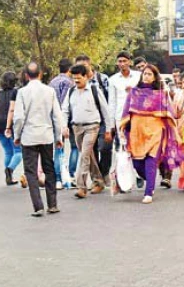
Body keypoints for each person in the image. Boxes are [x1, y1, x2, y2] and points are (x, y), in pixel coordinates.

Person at [119, 64, 183, 204]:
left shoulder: (160, 94)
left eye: (149, 74)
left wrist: (176, 133)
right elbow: (126, 112)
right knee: (137, 163)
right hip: (137, 132)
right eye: (145, 74)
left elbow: (169, 114)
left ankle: (148, 192)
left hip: (155, 131)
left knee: (151, 161)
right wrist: (124, 130)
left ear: (155, 77)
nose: (146, 76)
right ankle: (150, 180)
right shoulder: (134, 93)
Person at [13, 62, 64, 217]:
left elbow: (19, 117)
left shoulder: (22, 92)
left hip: (29, 137)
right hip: (46, 135)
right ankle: (53, 204)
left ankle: (38, 206)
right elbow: (57, 115)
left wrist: (17, 135)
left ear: (26, 75)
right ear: (40, 74)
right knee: (49, 169)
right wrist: (58, 136)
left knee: (31, 171)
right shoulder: (49, 91)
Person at [62, 64, 113, 199]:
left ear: (85, 77)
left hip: (92, 127)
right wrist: (64, 126)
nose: (76, 81)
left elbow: (105, 111)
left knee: (84, 155)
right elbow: (65, 110)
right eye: (74, 79)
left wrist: (108, 129)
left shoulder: (94, 90)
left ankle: (81, 187)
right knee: (88, 155)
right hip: (76, 127)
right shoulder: (71, 91)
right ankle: (98, 181)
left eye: (79, 78)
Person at [75, 55, 112, 184]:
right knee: (91, 150)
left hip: (103, 119)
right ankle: (97, 179)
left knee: (105, 148)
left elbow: (110, 101)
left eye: (84, 66)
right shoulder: (77, 83)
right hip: (88, 121)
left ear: (90, 64)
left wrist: (110, 123)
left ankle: (104, 172)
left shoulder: (103, 79)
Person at [49, 58, 74, 189]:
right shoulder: (69, 82)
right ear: (69, 69)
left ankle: (57, 178)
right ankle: (67, 175)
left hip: (52, 117)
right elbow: (65, 102)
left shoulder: (52, 82)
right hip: (64, 118)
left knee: (58, 147)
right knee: (72, 147)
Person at [0, 71, 22, 186]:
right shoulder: (17, 93)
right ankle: (10, 169)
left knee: (8, 152)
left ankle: (8, 177)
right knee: (19, 151)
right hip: (12, 125)